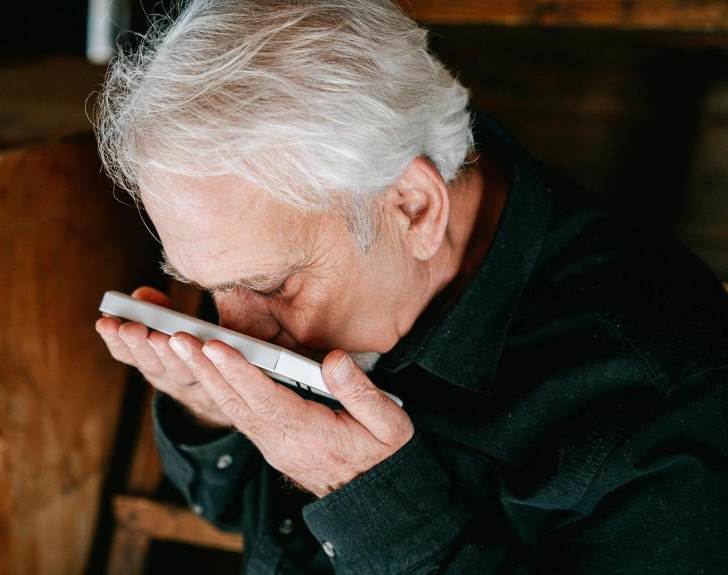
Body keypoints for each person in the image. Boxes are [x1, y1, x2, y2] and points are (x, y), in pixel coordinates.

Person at [93, 1, 728, 573]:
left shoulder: (667, 395)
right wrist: (213, 414)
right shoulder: (327, 246)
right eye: (209, 288)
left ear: (414, 209)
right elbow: (251, 522)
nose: (235, 330)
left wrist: (366, 496)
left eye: (272, 285)